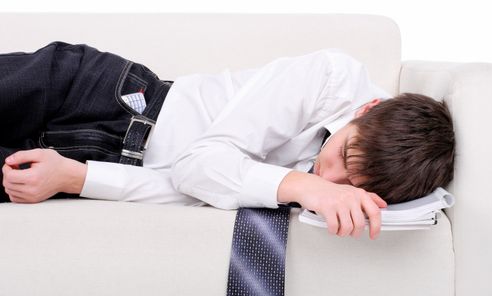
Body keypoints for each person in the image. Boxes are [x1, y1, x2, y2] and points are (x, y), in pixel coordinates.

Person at [0, 41, 455, 239]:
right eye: (342, 153)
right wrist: (304, 188)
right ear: (367, 111)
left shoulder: (338, 193)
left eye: (349, 182)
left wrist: (76, 178)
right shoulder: (330, 78)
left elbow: (192, 189)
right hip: (105, 96)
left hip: (100, 161)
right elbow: (200, 161)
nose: (327, 174)